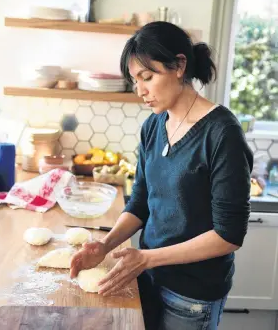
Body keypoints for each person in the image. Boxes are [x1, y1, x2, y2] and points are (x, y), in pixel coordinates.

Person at [70, 21, 253, 330]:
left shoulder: (222, 133)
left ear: (179, 65)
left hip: (192, 295)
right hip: (148, 277)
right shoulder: (153, 127)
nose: (140, 90)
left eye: (147, 77)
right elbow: (141, 202)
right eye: (135, 80)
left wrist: (148, 258)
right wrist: (106, 246)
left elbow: (229, 235)